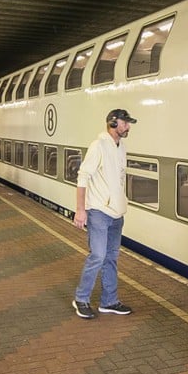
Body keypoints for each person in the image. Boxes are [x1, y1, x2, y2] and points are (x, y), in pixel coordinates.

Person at [71, 108, 137, 319]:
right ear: (113, 122)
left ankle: (109, 301)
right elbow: (83, 177)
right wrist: (81, 210)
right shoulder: (98, 145)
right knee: (98, 256)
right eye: (125, 123)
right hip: (98, 211)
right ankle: (81, 298)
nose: (128, 127)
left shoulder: (121, 147)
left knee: (111, 258)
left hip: (117, 214)